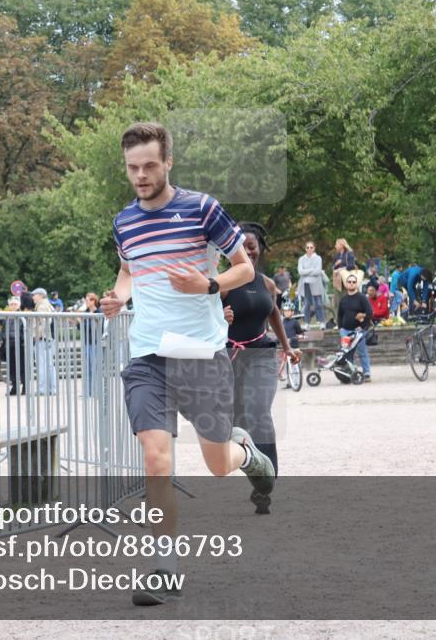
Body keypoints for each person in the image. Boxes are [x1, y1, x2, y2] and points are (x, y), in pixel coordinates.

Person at [100, 121, 274, 606]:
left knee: (217, 463)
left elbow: (245, 266)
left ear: (168, 162)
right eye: (133, 167)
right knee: (156, 460)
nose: (141, 175)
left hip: (200, 353)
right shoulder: (124, 221)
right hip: (148, 355)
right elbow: (128, 269)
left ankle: (248, 456)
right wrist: (118, 297)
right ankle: (164, 567)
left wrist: (210, 285)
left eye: (150, 166)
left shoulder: (202, 208)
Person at [221, 222, 300, 513]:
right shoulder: (223, 284)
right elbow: (203, 317)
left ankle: (266, 485)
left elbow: (275, 314)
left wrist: (287, 346)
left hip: (261, 354)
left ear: (260, 249)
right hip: (228, 358)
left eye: (252, 247)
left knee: (259, 414)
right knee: (235, 423)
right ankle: (253, 465)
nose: (248, 252)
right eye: (242, 248)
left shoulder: (268, 284)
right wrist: (220, 314)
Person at [337, 273, 374, 382]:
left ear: (356, 284)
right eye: (349, 282)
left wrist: (362, 326)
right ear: (346, 284)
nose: (351, 283)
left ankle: (366, 373)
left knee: (362, 352)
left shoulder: (362, 298)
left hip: (358, 331)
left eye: (354, 282)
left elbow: (370, 313)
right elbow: (339, 315)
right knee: (347, 353)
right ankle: (351, 373)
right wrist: (340, 328)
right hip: (345, 330)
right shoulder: (343, 299)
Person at [31, 288, 57, 395]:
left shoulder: (41, 306)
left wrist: (37, 335)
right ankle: (52, 388)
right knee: (50, 364)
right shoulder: (48, 304)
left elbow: (45, 322)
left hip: (43, 338)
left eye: (34, 295)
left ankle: (42, 388)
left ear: (41, 295)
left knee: (42, 364)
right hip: (49, 338)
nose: (32, 297)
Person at [78, 293, 102, 398]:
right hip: (87, 343)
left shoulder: (98, 313)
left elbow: (95, 328)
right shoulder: (86, 313)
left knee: (94, 367)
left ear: (93, 301)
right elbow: (81, 327)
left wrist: (82, 321)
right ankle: (88, 391)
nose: (86, 302)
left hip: (95, 343)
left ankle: (95, 391)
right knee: (87, 368)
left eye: (88, 300)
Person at [297, 241, 326, 329]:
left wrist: (307, 271)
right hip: (305, 284)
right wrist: (311, 270)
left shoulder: (318, 258)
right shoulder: (301, 259)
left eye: (311, 247)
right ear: (305, 248)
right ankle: (306, 323)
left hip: (316, 284)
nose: (309, 249)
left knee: (318, 304)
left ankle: (321, 322)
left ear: (314, 248)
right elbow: (300, 272)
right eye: (307, 247)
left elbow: (318, 271)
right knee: (307, 304)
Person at [279, 306, 305, 384]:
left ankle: (297, 381)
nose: (286, 312)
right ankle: (289, 382)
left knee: (295, 364)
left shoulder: (295, 322)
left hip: (294, 346)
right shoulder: (282, 322)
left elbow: (300, 334)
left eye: (288, 311)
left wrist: (296, 337)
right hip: (286, 346)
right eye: (285, 311)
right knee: (287, 365)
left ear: (292, 312)